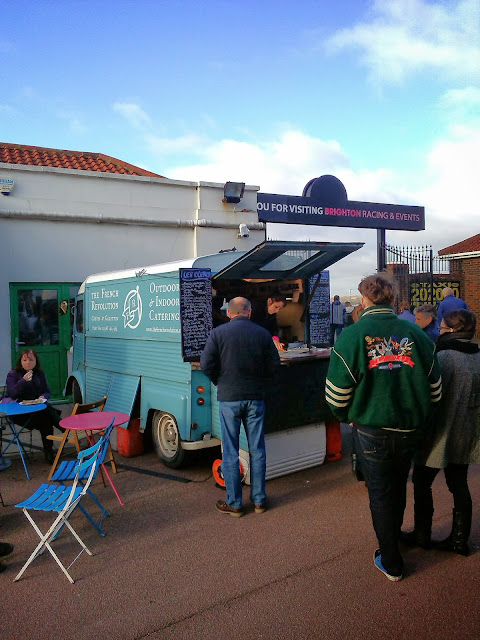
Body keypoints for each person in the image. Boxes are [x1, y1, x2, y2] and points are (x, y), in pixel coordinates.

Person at [325, 274, 442, 581]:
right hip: (410, 427)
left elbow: (336, 395)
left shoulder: (351, 336)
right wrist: (421, 412)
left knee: (379, 491)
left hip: (370, 429)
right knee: (399, 484)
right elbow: (435, 388)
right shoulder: (416, 334)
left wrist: (348, 415)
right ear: (393, 299)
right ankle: (394, 538)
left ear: (364, 300)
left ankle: (391, 561)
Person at [402, 309, 480, 556]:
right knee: (458, 484)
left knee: (421, 481)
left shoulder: (445, 356)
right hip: (466, 430)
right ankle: (459, 540)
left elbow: (430, 394)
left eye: (443, 327)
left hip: (440, 431)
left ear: (453, 330)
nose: (440, 330)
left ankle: (422, 534)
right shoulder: (478, 355)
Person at [201, 297, 280, 517]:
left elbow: (206, 365)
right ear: (250, 312)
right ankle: (259, 501)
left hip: (229, 398)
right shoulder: (262, 334)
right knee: (257, 450)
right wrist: (261, 382)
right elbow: (275, 365)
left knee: (230, 451)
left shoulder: (217, 334)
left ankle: (235, 503)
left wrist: (220, 381)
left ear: (229, 313)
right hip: (256, 398)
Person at [5, 349, 62, 464]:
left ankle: (49, 453)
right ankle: (64, 428)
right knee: (47, 412)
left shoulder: (39, 374)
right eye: (25, 360)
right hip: (20, 413)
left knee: (46, 419)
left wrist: (43, 396)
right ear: (20, 362)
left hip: (37, 410)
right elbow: (12, 393)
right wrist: (23, 381)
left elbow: (46, 391)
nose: (28, 363)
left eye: (31, 360)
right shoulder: (13, 374)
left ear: (36, 361)